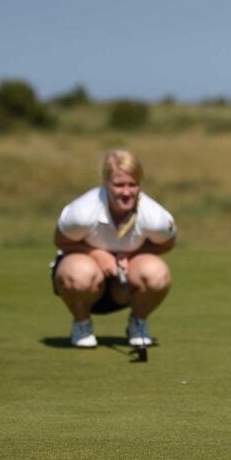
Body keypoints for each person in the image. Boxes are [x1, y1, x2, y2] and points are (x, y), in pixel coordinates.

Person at [51, 149, 176, 348]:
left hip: (124, 286)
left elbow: (166, 243)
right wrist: (97, 254)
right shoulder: (82, 212)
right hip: (86, 282)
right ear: (106, 183)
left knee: (157, 274)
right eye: (118, 185)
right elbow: (61, 241)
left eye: (132, 185)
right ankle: (82, 324)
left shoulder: (155, 217)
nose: (126, 192)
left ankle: (138, 323)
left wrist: (130, 255)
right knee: (78, 274)